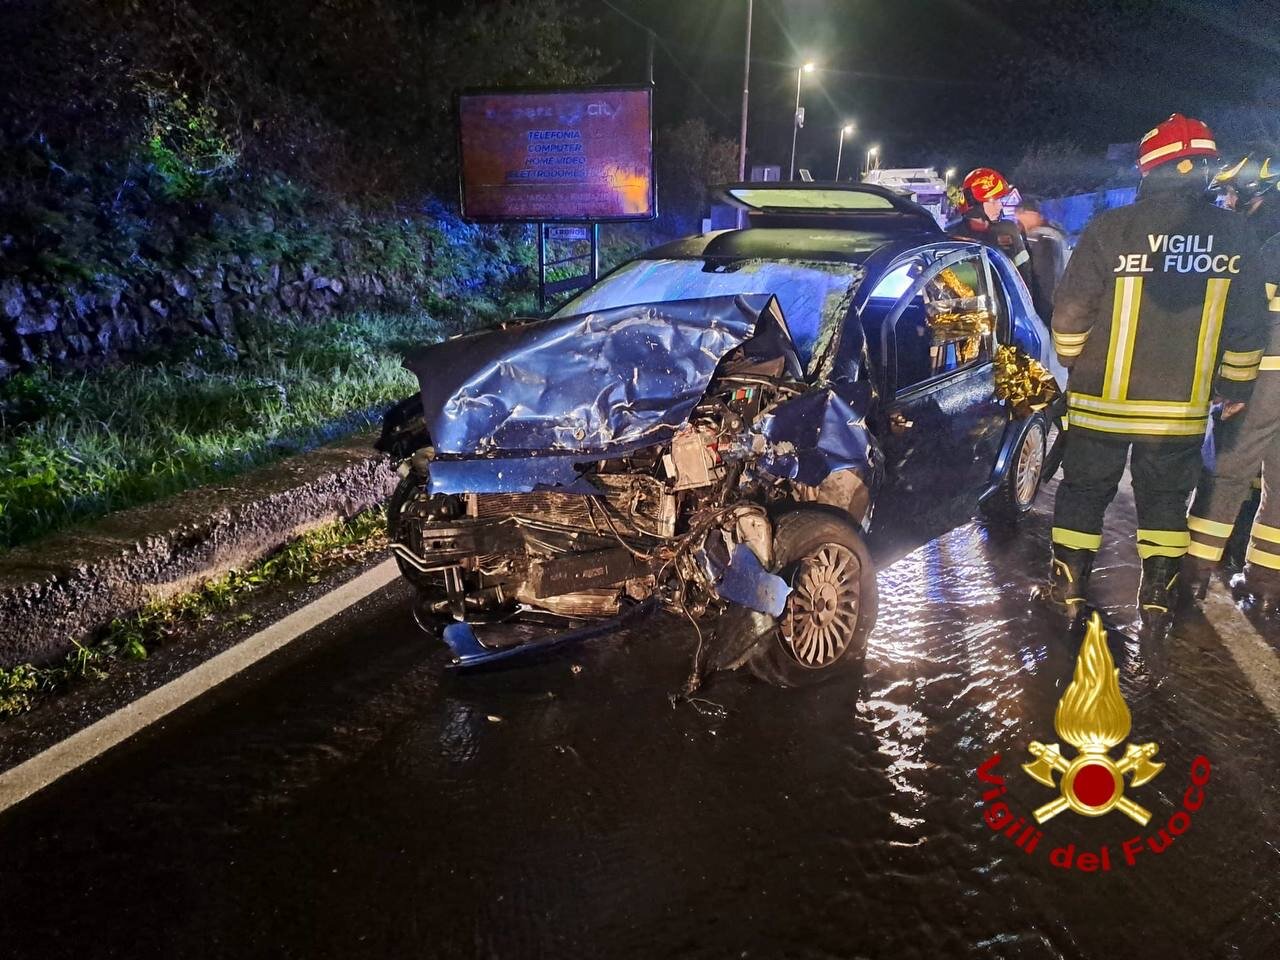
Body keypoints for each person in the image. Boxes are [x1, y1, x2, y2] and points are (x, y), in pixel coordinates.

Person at [1045, 113, 1267, 634]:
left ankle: (1068, 587)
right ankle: (1158, 599)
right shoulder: (1232, 233)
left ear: (1149, 171)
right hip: (1179, 409)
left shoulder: (1109, 228)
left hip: (1101, 401)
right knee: (1165, 502)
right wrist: (1235, 387)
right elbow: (1247, 324)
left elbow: (1071, 312)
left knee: (1083, 491)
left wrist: (1074, 359)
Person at [1185, 232, 1280, 603]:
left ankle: (1192, 577)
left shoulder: (1273, 245)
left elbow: (1249, 315)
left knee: (1226, 470)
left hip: (1267, 377)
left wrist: (1232, 384)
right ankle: (1266, 583)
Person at [947, 167, 1037, 292]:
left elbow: (1024, 276)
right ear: (975, 206)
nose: (999, 206)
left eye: (999, 201)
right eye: (993, 202)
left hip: (1007, 307)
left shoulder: (1008, 231)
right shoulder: (953, 236)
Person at [1016, 197, 1069, 319]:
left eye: (1019, 214)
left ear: (1031, 214)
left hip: (1046, 308)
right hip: (1059, 304)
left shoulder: (1040, 238)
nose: (1017, 219)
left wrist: (1037, 313)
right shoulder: (1054, 234)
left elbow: (1044, 281)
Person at [1212, 154, 1280, 241]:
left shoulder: (1271, 228)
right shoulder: (1250, 225)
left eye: (1231, 193)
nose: (1227, 202)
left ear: (1251, 189)